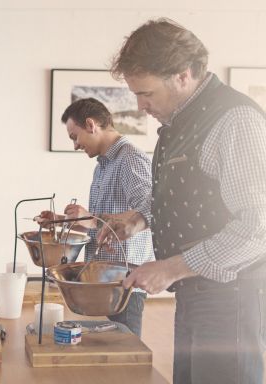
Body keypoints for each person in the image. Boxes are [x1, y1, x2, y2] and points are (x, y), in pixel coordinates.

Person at [107, 18, 266, 384]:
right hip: (196, 291)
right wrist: (138, 218)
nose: (140, 105)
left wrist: (171, 268)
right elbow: (178, 195)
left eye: (146, 93)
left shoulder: (235, 119)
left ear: (182, 75)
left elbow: (256, 226)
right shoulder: (178, 123)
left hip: (232, 298)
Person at [40, 97, 154, 336]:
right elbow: (97, 225)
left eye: (74, 136)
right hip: (103, 282)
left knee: (126, 354)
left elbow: (149, 211)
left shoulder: (130, 158)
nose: (75, 145)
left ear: (91, 125)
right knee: (111, 352)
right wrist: (63, 221)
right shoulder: (102, 166)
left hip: (124, 282)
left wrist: (90, 217)